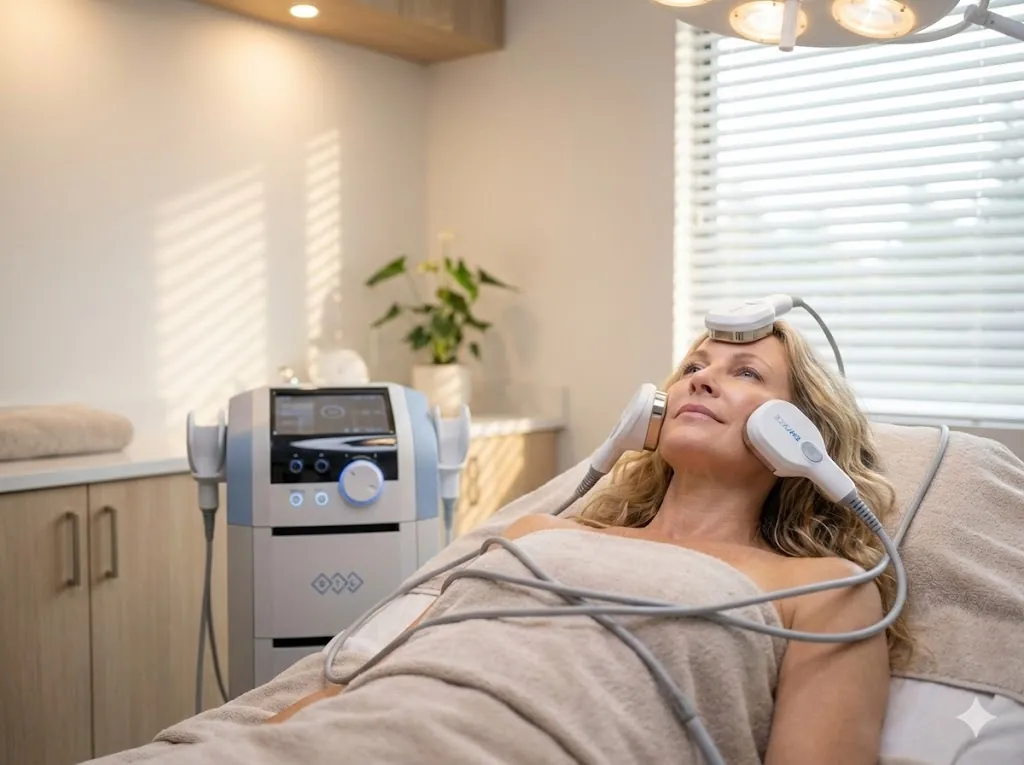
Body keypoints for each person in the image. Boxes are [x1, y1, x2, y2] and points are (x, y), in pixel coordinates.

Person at [98, 321, 913, 765]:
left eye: (745, 372)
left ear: (797, 434)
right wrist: (253, 735)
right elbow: (376, 677)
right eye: (695, 363)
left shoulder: (823, 587)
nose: (700, 376)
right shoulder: (539, 531)